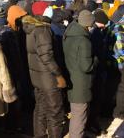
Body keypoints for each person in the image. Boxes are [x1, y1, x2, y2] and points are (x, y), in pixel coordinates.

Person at [22, 14, 67, 138]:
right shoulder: (43, 30)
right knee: (55, 112)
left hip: (37, 78)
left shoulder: (30, 30)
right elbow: (46, 56)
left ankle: (39, 135)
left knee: (40, 109)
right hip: (49, 79)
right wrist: (58, 75)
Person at [63, 10, 96, 138]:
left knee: (77, 113)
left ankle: (78, 134)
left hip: (71, 77)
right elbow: (87, 66)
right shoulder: (84, 41)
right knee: (79, 115)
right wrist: (96, 60)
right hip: (81, 83)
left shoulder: (69, 34)